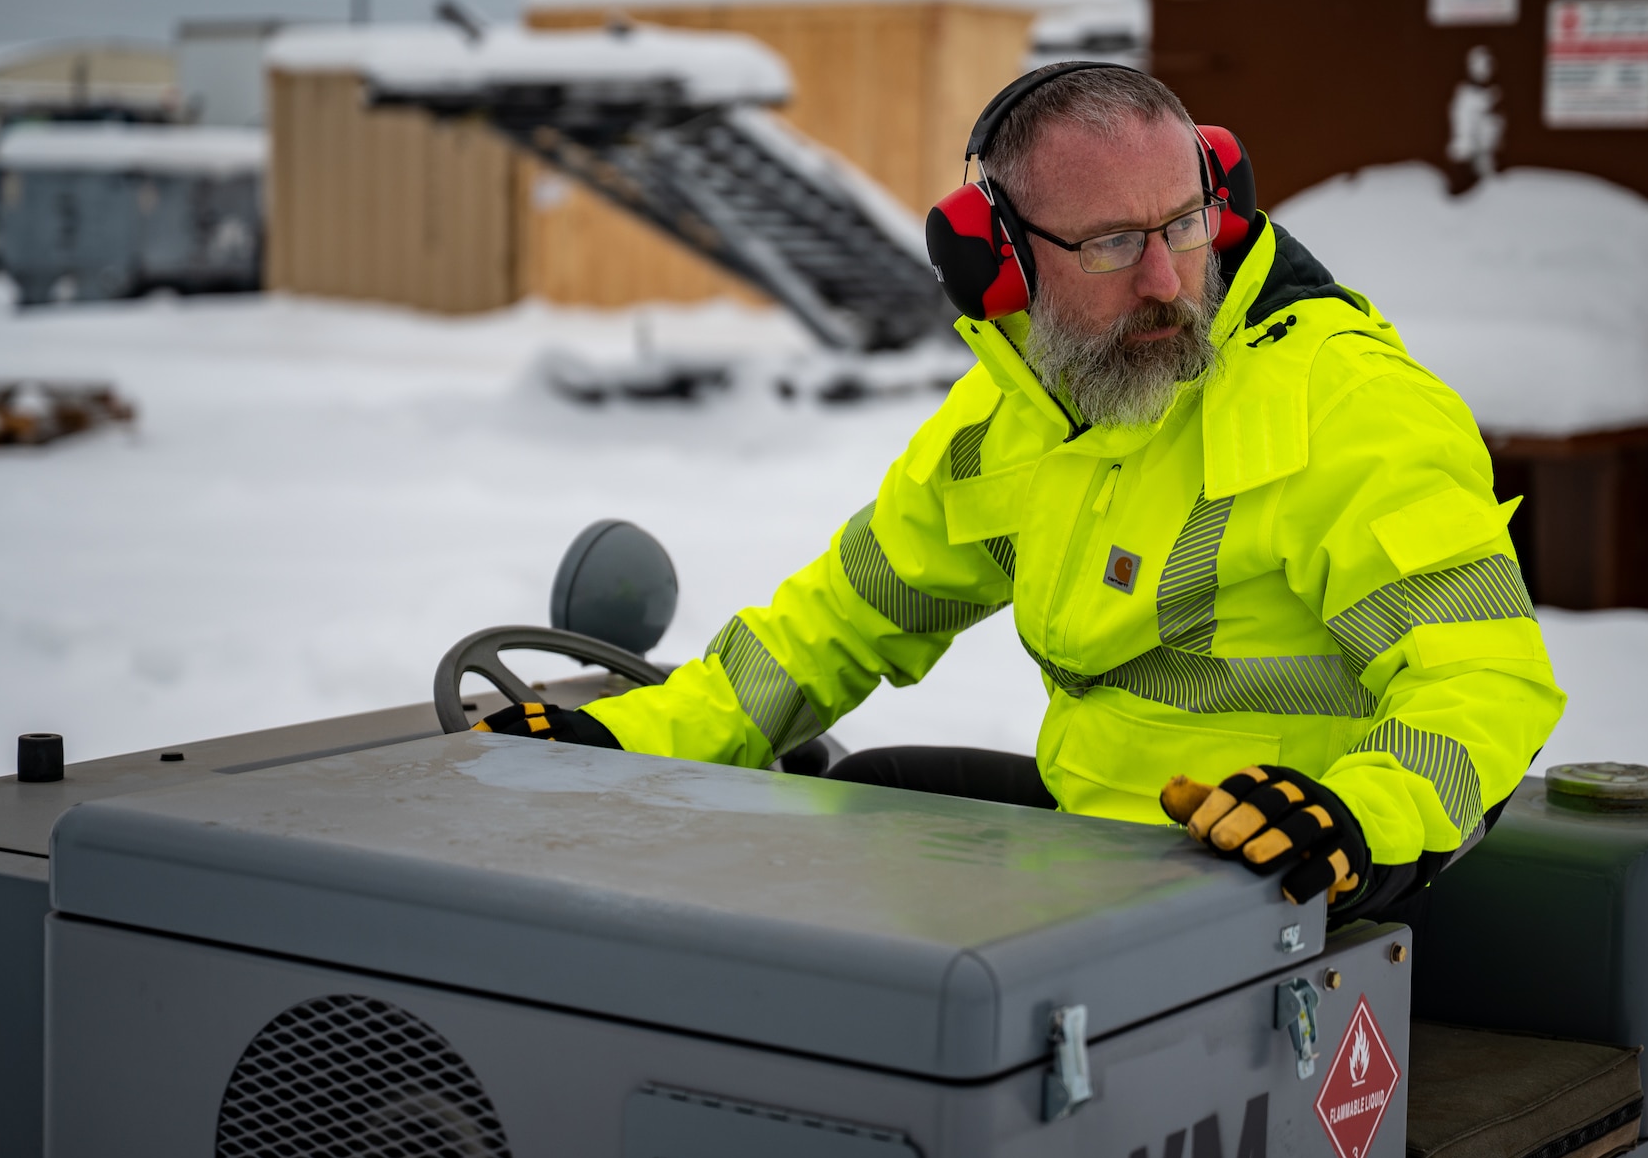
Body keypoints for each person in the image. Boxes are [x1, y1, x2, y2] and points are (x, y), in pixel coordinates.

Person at [489, 63, 1563, 919]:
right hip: (1104, 856)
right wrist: (632, 741)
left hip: (1279, 895)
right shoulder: (1015, 418)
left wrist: (1352, 822)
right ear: (994, 258)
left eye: (1182, 226)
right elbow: (836, 621)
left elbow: (1482, 679)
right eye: (1106, 243)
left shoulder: (1347, 404)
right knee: (864, 804)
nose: (1161, 279)